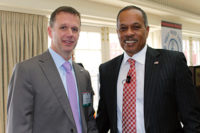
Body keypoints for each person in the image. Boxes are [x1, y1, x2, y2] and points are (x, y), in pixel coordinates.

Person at [96, 5, 200, 133]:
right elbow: (102, 121)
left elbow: (193, 120)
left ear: (147, 30)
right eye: (123, 28)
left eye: (136, 27)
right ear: (118, 32)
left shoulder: (173, 62)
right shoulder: (107, 70)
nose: (129, 33)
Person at [7, 6, 98, 133]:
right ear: (50, 32)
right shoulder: (26, 71)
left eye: (74, 29)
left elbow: (89, 119)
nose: (70, 34)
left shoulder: (84, 75)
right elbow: (18, 127)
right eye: (63, 27)